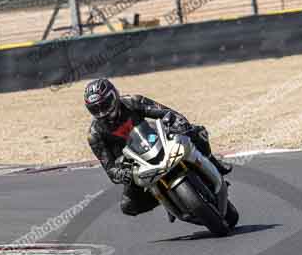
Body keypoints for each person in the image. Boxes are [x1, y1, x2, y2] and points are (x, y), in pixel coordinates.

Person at [85, 78, 231, 216]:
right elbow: (110, 168)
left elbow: (166, 112)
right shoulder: (95, 134)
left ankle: (214, 162)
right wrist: (121, 174)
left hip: (156, 140)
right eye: (95, 109)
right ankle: (164, 197)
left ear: (114, 95)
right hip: (134, 165)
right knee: (128, 206)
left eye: (105, 104)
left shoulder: (133, 101)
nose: (102, 112)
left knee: (197, 132)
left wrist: (178, 122)